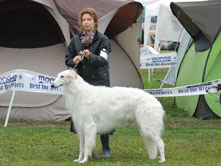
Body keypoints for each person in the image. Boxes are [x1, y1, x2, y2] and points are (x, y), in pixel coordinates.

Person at [65, 8, 113, 159]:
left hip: (99, 81)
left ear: (95, 22)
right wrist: (74, 60)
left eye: (89, 20)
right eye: (84, 20)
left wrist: (90, 55)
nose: (86, 22)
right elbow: (67, 59)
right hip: (82, 83)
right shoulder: (76, 40)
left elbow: (103, 60)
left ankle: (106, 148)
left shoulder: (103, 39)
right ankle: (88, 150)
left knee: (101, 115)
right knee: (84, 117)